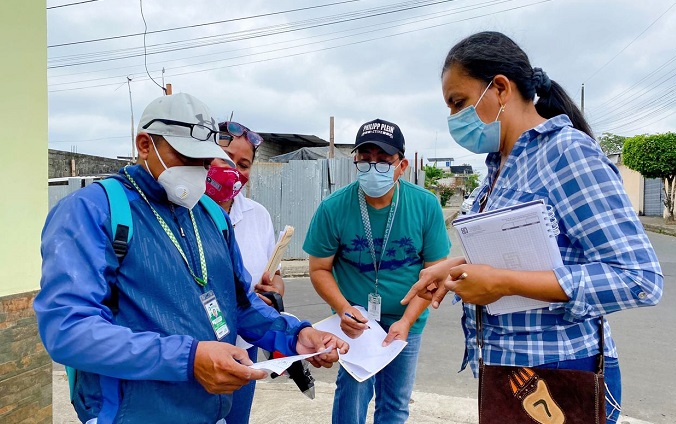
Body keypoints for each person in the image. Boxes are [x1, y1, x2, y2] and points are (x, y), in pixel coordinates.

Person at [34, 93, 347, 424]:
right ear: (144, 145)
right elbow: (68, 330)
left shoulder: (211, 215)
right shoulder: (92, 211)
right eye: (186, 156)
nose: (198, 170)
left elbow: (239, 305)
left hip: (212, 411)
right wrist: (189, 358)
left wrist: (295, 335)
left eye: (204, 160)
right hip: (132, 414)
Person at [401, 31, 663, 424]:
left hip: (560, 372)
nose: (454, 118)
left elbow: (638, 278)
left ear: (501, 88)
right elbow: (526, 249)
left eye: (458, 103)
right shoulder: (496, 168)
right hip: (505, 371)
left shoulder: (566, 152)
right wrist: (456, 267)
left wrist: (503, 283)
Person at [303, 118, 450, 424]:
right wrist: (344, 309)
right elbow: (319, 269)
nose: (373, 168)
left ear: (402, 165)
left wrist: (408, 321)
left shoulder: (425, 206)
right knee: (351, 396)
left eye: (383, 161)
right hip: (354, 322)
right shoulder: (333, 208)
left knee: (394, 404)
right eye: (365, 160)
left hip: (405, 322)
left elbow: (434, 273)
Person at [204, 120, 284, 423]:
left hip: (243, 350)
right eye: (224, 159)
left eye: (243, 164)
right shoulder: (180, 213)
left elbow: (272, 276)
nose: (233, 169)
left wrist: (274, 293)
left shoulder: (257, 216)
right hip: (194, 353)